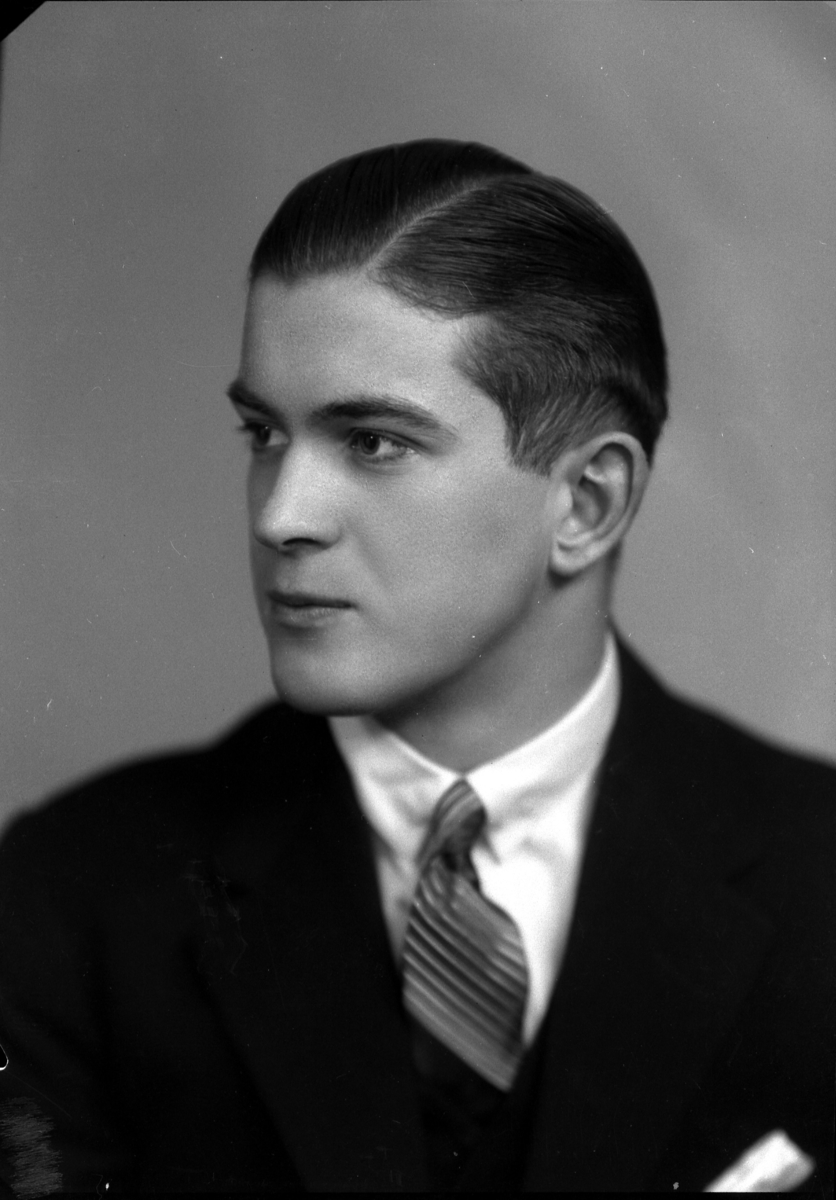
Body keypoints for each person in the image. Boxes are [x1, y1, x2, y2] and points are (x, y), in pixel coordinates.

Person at [0, 140, 833, 1196]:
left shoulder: (819, 880)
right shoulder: (71, 898)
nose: (280, 515)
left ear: (586, 504)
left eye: (374, 443)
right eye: (262, 433)